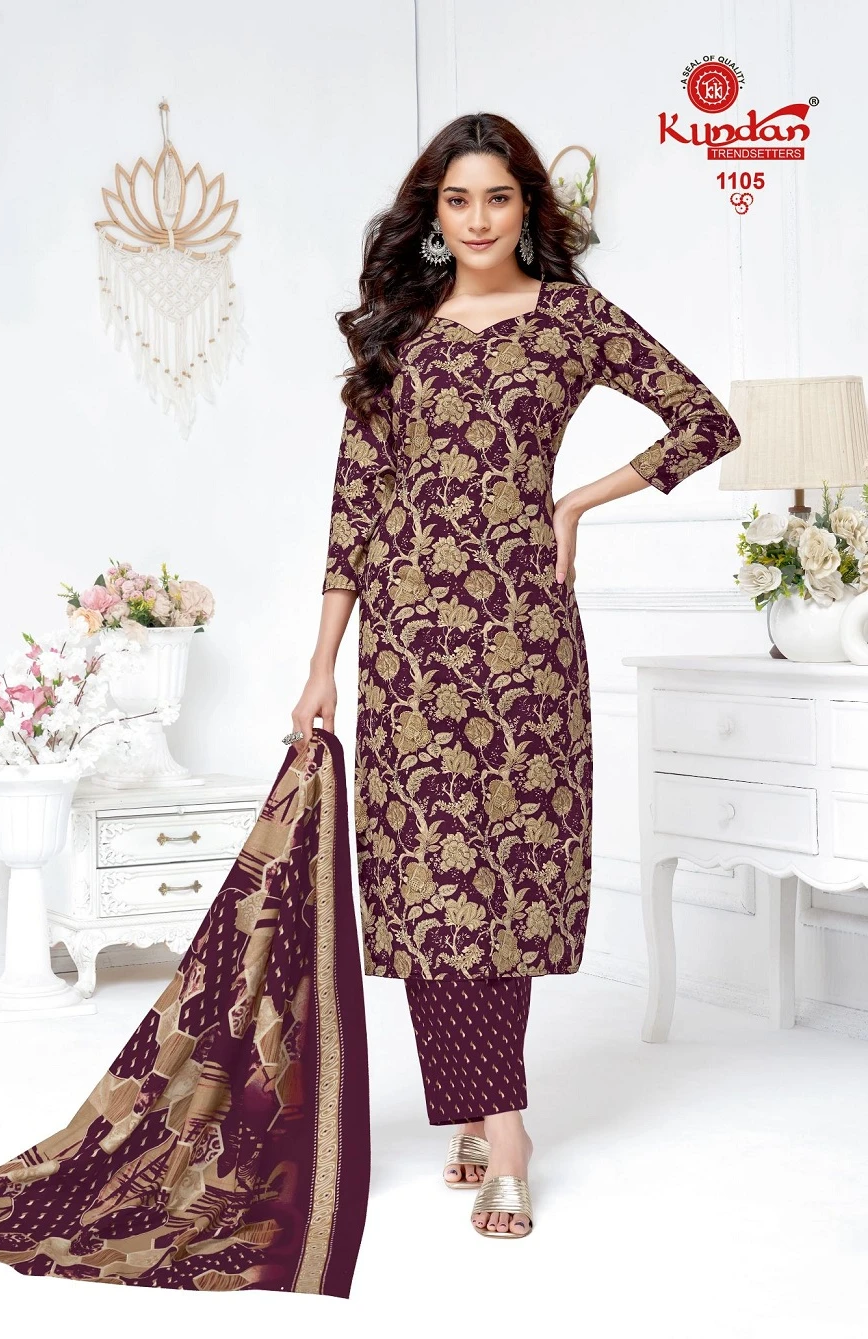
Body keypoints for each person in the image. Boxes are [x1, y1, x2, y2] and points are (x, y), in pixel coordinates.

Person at [290, 112, 742, 1240]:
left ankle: (501, 1132)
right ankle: (492, 1120)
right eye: (458, 200)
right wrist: (321, 663)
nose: (479, 219)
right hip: (409, 644)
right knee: (425, 882)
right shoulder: (398, 332)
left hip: (524, 643)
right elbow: (356, 505)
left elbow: (706, 420)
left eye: (498, 197)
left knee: (503, 879)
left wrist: (579, 499)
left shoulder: (571, 318)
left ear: (526, 207)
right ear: (433, 214)